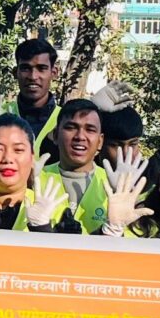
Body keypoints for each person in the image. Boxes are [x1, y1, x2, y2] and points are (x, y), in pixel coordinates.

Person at [46, 97, 116, 232]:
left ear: (100, 141)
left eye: (90, 129)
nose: (80, 136)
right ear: (55, 135)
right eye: (71, 128)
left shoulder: (113, 185)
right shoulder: (35, 179)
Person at [14, 36, 64, 150]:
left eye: (41, 68)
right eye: (25, 68)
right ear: (15, 73)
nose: (33, 76)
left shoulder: (66, 121)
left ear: (54, 72)